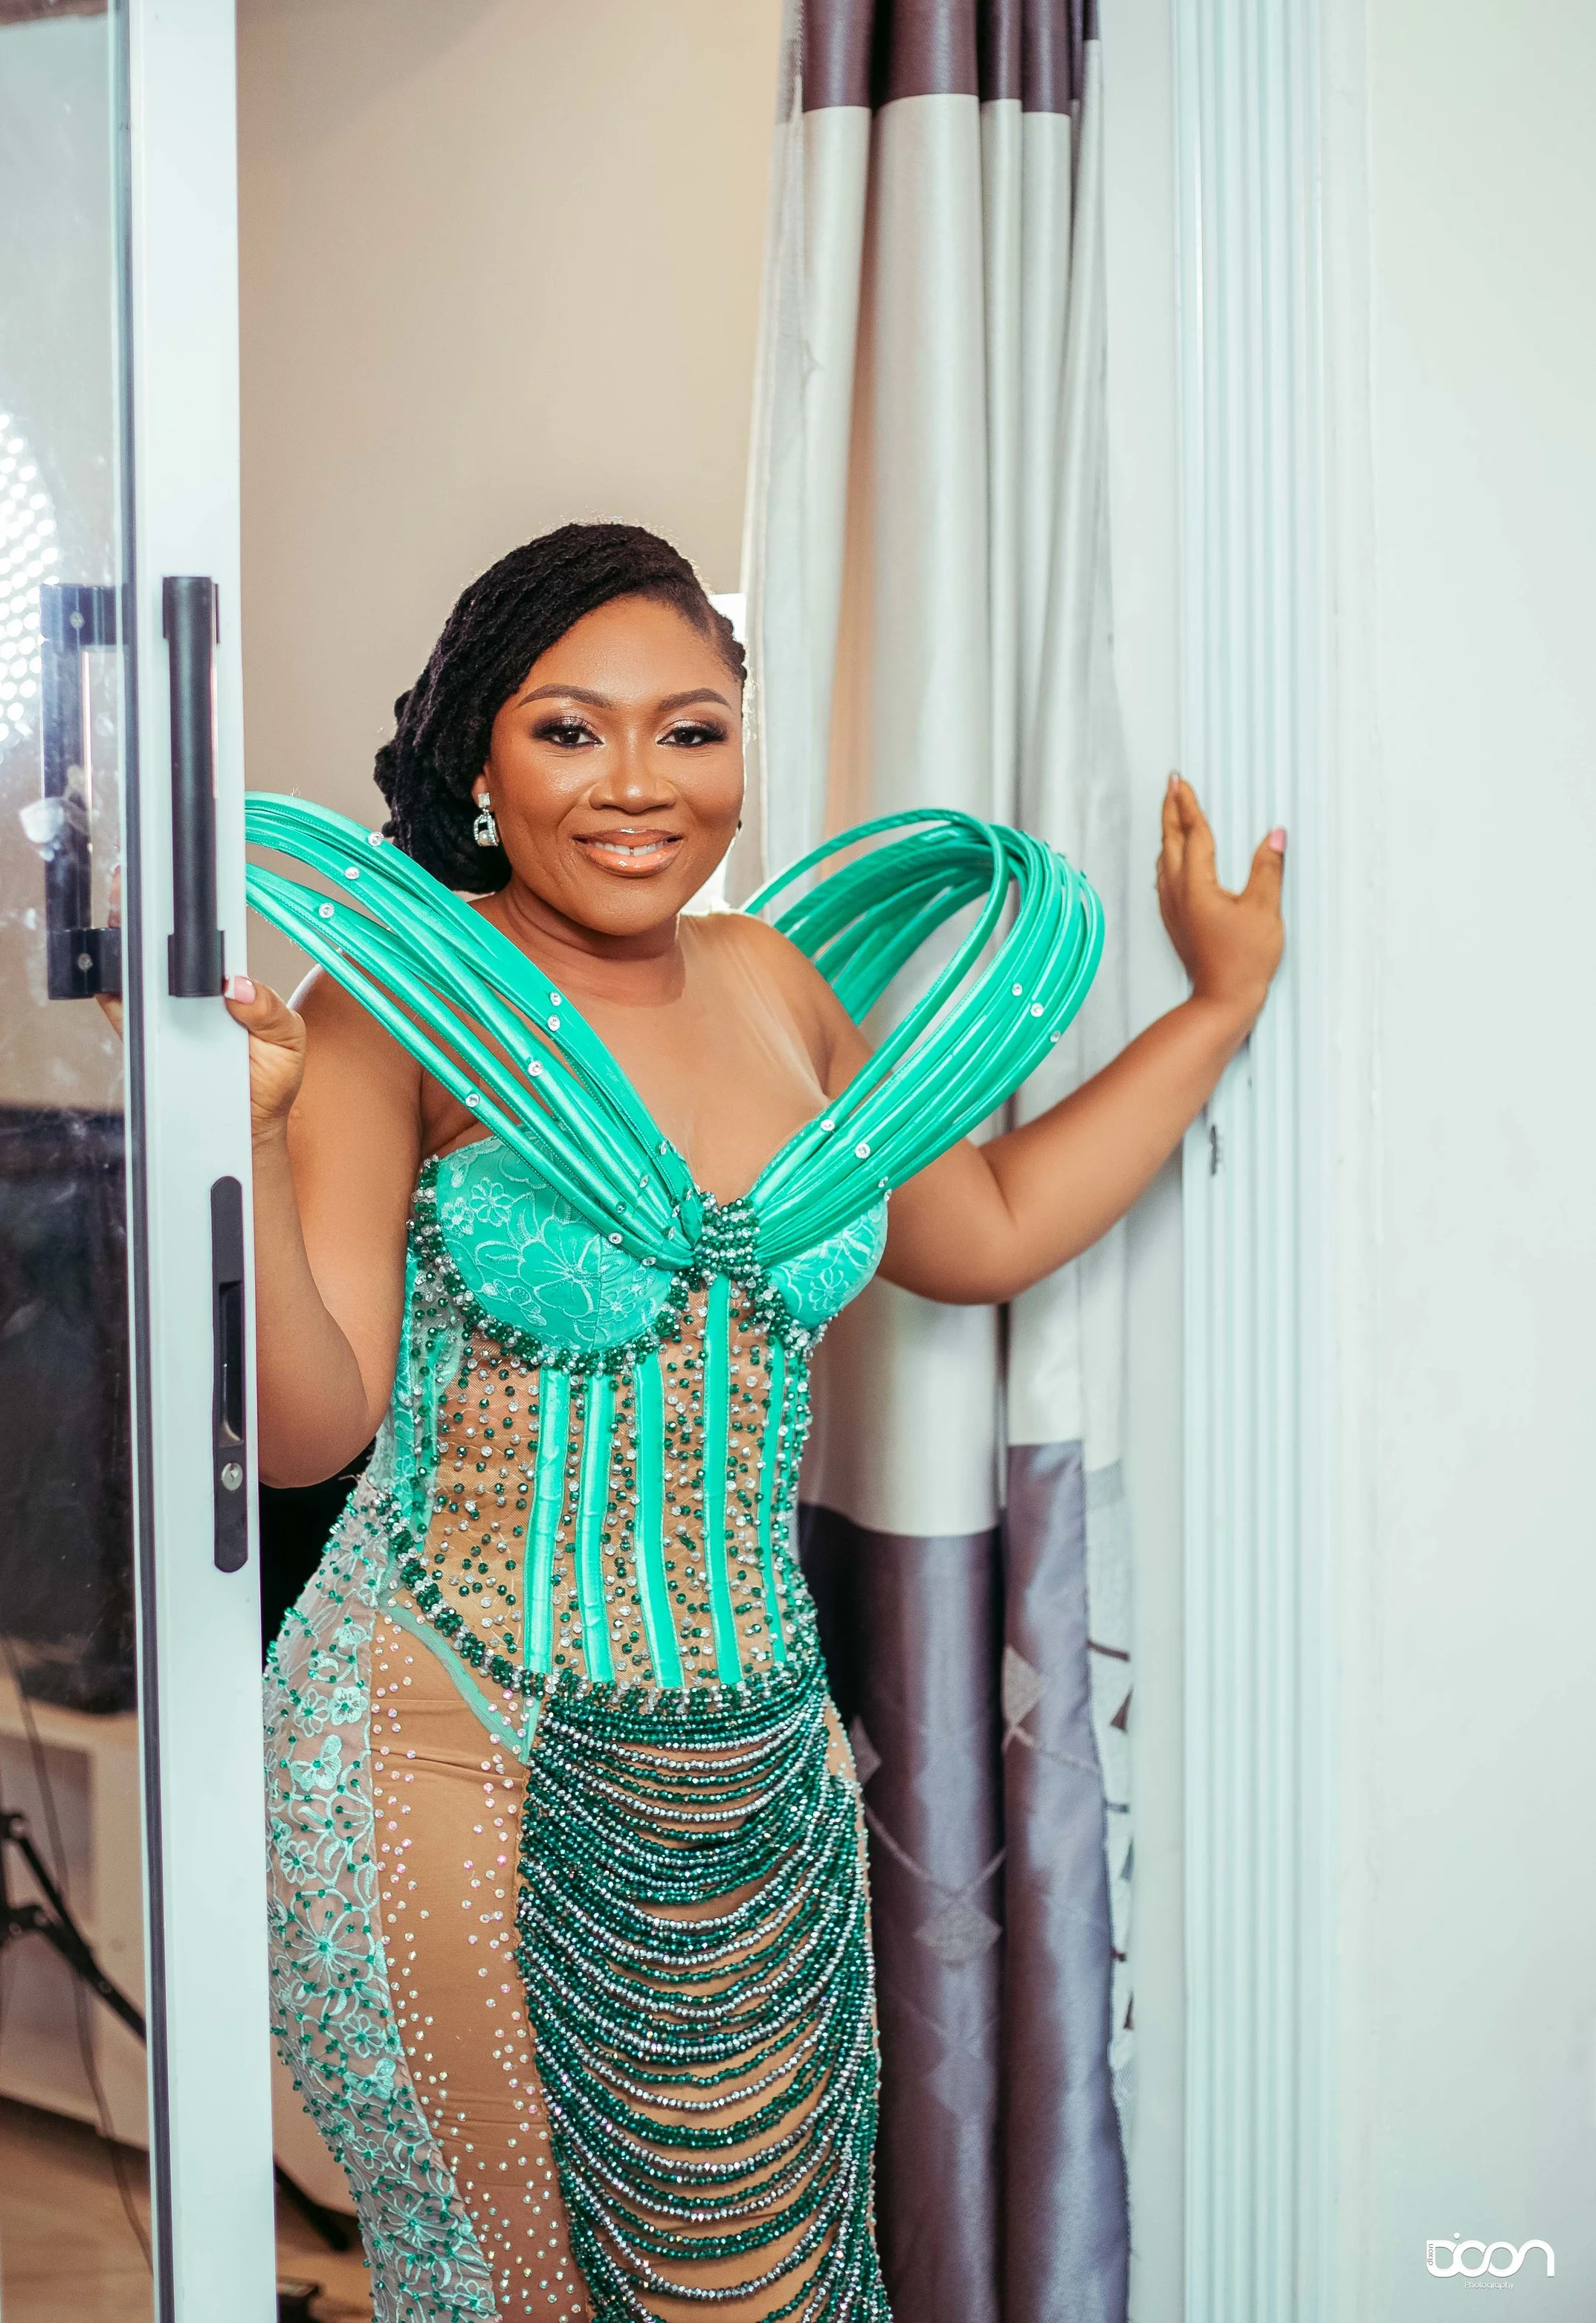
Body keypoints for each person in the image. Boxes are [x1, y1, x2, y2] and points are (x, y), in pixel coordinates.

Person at [236, 523, 1283, 2322]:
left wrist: (1218, 1002)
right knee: (511, 2286)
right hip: (438, 1744)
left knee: (774, 2288)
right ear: (479, 761)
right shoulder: (393, 1004)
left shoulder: (781, 985)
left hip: (759, 1776)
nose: (636, 783)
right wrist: (244, 1143)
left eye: (690, 728)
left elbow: (985, 1228)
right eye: (569, 731)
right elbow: (304, 1430)